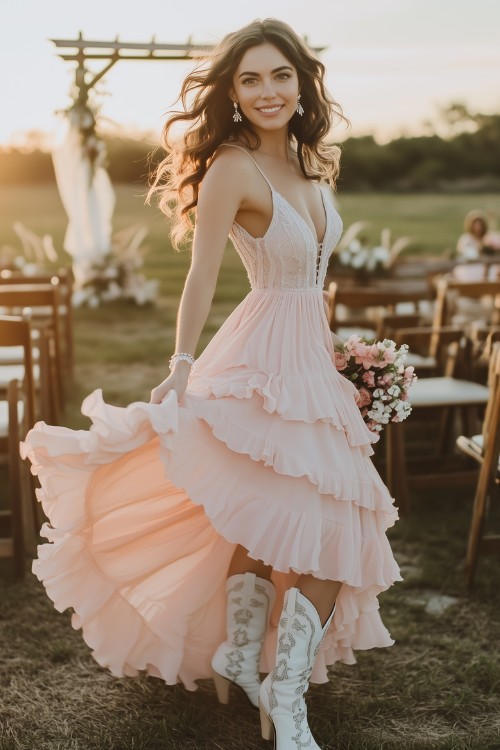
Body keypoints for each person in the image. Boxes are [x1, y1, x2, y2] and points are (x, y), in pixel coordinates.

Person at [22, 19, 401, 749]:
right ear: (232, 91)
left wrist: (342, 358)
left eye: (280, 76)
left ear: (302, 82)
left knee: (302, 519)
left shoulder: (312, 158)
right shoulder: (231, 165)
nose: (267, 91)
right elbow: (201, 275)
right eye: (250, 79)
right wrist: (181, 365)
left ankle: (249, 661)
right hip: (260, 353)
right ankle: (285, 704)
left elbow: (316, 274)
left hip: (310, 358)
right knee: (300, 522)